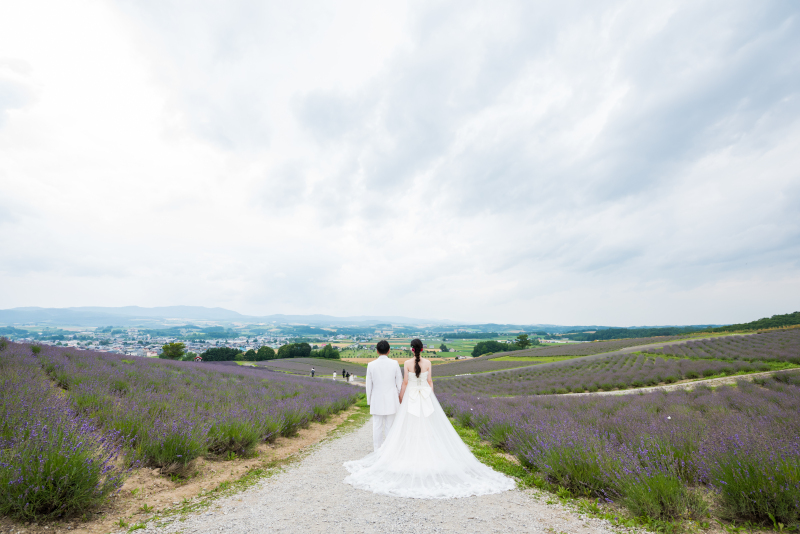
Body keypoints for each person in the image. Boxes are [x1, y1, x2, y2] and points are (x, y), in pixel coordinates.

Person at [344, 338, 514, 499]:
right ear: (422, 349)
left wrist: (401, 397)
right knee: (422, 426)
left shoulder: (404, 363)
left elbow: (402, 383)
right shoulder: (425, 363)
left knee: (395, 426)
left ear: (412, 349)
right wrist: (429, 396)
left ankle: (384, 452)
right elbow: (430, 381)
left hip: (410, 396)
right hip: (424, 396)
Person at [363, 339, 402, 451]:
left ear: (377, 351)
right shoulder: (394, 363)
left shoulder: (371, 365)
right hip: (392, 399)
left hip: (376, 399)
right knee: (390, 426)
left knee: (377, 426)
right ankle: (390, 450)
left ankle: (377, 450)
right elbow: (399, 383)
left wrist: (369, 400)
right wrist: (400, 398)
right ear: (389, 351)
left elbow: (368, 385)